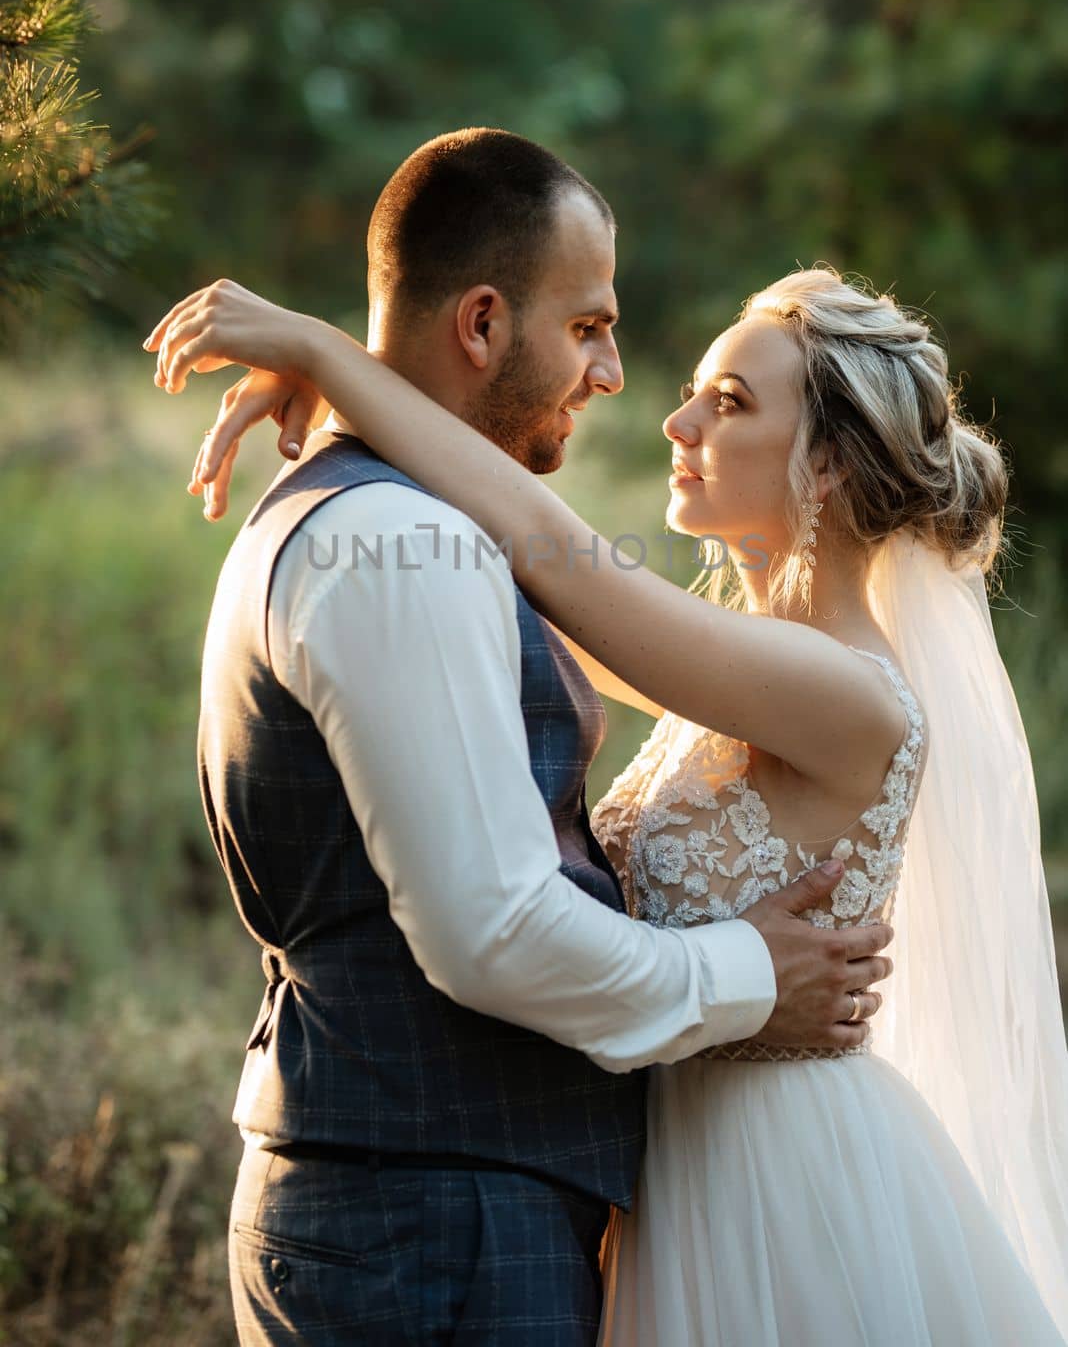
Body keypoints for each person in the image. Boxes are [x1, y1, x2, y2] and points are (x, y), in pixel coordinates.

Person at [146, 239, 1068, 1344]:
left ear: (826, 464)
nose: (679, 426)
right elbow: (524, 554)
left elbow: (547, 544)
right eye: (693, 395)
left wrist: (325, 351)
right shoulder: (743, 669)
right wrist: (359, 396)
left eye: (727, 404)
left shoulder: (845, 690)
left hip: (780, 1184)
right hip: (673, 1170)